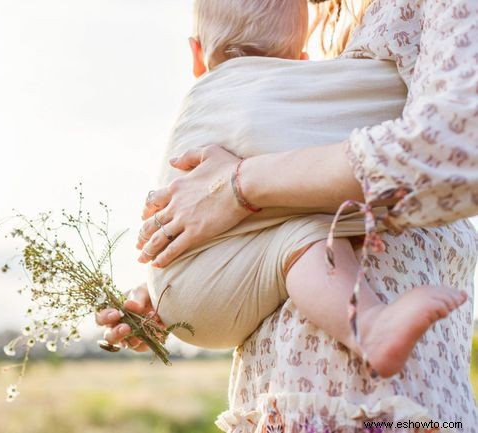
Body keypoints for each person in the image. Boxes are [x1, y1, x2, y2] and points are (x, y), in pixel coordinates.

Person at [98, 0, 478, 430]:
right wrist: (189, 268)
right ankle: (369, 325)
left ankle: (372, 325)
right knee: (306, 232)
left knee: (306, 230)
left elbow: (456, 142)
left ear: (195, 54)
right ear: (299, 59)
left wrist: (236, 190)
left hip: (366, 399)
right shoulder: (322, 42)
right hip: (283, 390)